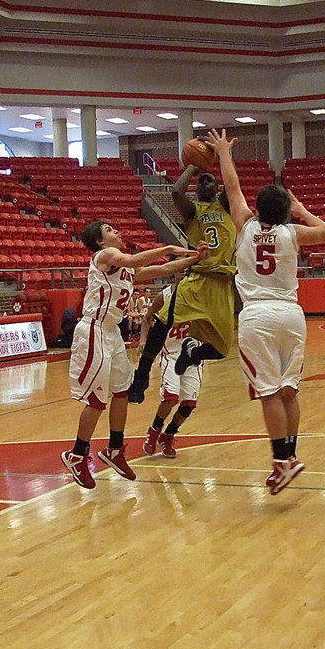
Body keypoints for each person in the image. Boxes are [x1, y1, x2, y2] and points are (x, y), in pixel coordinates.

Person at [207, 128, 325, 494]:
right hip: (292, 315)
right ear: (285, 211)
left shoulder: (245, 226)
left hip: (258, 315)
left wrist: (224, 153)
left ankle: (280, 462)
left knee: (268, 392)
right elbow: (324, 233)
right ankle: (290, 456)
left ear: (258, 208)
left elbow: (232, 187)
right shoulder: (292, 233)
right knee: (289, 391)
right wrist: (303, 210)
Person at [60, 220, 204, 490]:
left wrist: (194, 257)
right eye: (110, 231)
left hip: (112, 333)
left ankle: (115, 449)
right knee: (96, 400)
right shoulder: (105, 256)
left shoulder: (125, 270)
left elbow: (163, 268)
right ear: (101, 242)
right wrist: (171, 246)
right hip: (94, 329)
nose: (117, 232)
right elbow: (134, 258)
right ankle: (77, 455)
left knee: (121, 392)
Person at [128, 160, 238, 404]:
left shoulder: (225, 206)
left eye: (210, 179)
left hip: (222, 284)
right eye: (200, 181)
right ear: (196, 190)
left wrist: (220, 158)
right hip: (198, 278)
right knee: (162, 321)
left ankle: (193, 353)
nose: (204, 181)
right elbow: (176, 191)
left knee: (222, 349)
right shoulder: (192, 211)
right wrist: (192, 166)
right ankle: (141, 376)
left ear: (218, 187)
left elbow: (233, 186)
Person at [142, 272, 204, 459]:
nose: (184, 271)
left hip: (193, 354)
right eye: (181, 266)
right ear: (174, 271)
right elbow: (147, 317)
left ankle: (168, 435)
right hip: (170, 353)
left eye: (188, 268)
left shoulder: (200, 295)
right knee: (170, 398)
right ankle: (154, 430)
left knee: (189, 405)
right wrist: (144, 340)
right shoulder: (165, 295)